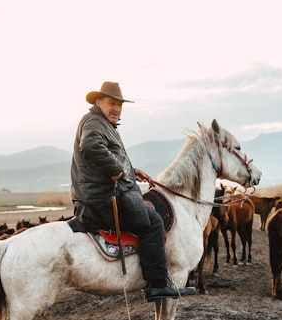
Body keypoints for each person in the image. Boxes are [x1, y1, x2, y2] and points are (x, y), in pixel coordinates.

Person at [70, 81, 192, 301]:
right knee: (154, 222)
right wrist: (117, 170)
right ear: (98, 101)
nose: (116, 108)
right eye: (111, 102)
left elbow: (106, 156)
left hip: (101, 195)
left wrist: (132, 171)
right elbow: (90, 146)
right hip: (102, 201)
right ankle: (157, 284)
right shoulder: (94, 122)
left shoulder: (103, 124)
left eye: (119, 104)